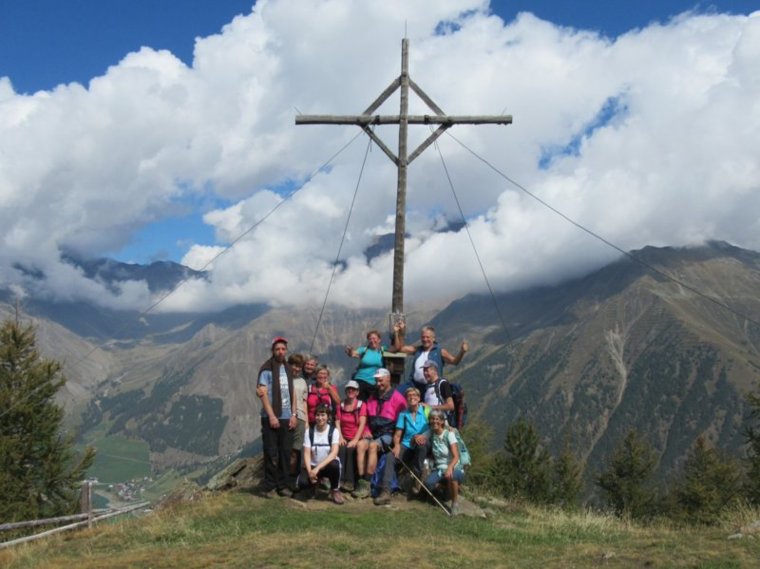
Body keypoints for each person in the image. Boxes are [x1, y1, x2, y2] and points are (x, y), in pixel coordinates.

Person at [257, 336, 297, 497]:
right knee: (271, 452)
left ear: (286, 350)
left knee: (286, 452)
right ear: (273, 351)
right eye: (277, 349)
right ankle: (269, 487)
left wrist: (294, 414)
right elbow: (263, 394)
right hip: (271, 418)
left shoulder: (288, 368)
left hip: (287, 416)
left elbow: (292, 392)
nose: (280, 352)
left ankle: (283, 485)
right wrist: (272, 416)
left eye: (283, 349)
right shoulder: (266, 369)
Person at [364, 368, 407, 505]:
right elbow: (366, 418)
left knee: (372, 446)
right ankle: (360, 483)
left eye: (380, 380)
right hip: (373, 433)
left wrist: (397, 441)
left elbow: (403, 422)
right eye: (376, 380)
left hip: (388, 434)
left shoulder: (398, 398)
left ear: (388, 379)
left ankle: (368, 483)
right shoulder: (372, 397)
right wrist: (365, 429)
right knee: (360, 446)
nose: (378, 383)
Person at [392, 322, 468, 393]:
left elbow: (455, 361)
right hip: (414, 384)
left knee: (426, 406)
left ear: (433, 338)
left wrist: (462, 352)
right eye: (423, 337)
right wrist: (399, 333)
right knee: (396, 394)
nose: (425, 339)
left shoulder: (439, 351)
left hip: (431, 387)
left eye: (428, 337)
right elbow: (400, 348)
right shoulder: (418, 349)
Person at [296, 404, 344, 504]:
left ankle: (334, 490)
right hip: (313, 467)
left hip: (327, 466)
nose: (320, 418)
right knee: (302, 483)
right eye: (317, 415)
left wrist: (318, 468)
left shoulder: (333, 431)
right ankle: (315, 485)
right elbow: (307, 453)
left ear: (328, 417)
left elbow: (334, 452)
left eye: (323, 415)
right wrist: (310, 472)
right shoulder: (309, 432)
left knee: (335, 465)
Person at [426, 409, 465, 515]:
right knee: (428, 484)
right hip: (439, 469)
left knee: (452, 476)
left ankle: (454, 503)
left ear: (442, 421)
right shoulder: (431, 433)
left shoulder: (449, 434)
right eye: (432, 419)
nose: (434, 421)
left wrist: (449, 468)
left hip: (454, 467)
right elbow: (423, 437)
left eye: (437, 419)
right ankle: (450, 489)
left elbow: (456, 456)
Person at [392, 386, 430, 495]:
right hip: (407, 443)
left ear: (419, 398)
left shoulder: (426, 410)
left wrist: (422, 436)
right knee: (391, 457)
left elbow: (436, 425)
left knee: (421, 445)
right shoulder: (403, 414)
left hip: (425, 441)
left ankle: (417, 477)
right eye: (409, 396)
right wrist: (396, 445)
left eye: (414, 395)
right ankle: (390, 486)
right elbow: (397, 434)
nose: (411, 397)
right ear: (406, 399)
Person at [337, 380, 369, 493]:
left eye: (353, 389)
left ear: (357, 392)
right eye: (349, 389)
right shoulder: (341, 404)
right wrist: (340, 437)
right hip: (344, 437)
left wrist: (355, 440)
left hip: (356, 437)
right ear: (346, 391)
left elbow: (362, 424)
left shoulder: (361, 405)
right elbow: (337, 422)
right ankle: (339, 480)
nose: (351, 391)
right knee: (341, 449)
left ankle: (350, 482)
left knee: (350, 450)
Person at [344, 330, 387, 401]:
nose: (372, 340)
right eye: (370, 339)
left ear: (379, 340)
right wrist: (350, 352)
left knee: (372, 405)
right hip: (360, 380)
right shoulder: (364, 350)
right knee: (359, 403)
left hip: (374, 383)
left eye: (374, 338)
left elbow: (395, 349)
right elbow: (354, 353)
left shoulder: (383, 350)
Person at [288, 353, 308, 478]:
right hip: (285, 416)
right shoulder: (283, 379)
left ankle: (292, 476)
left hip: (300, 416)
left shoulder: (302, 382)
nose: (296, 368)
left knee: (296, 449)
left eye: (299, 366)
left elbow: (304, 401)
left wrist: (306, 421)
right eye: (294, 365)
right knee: (286, 449)